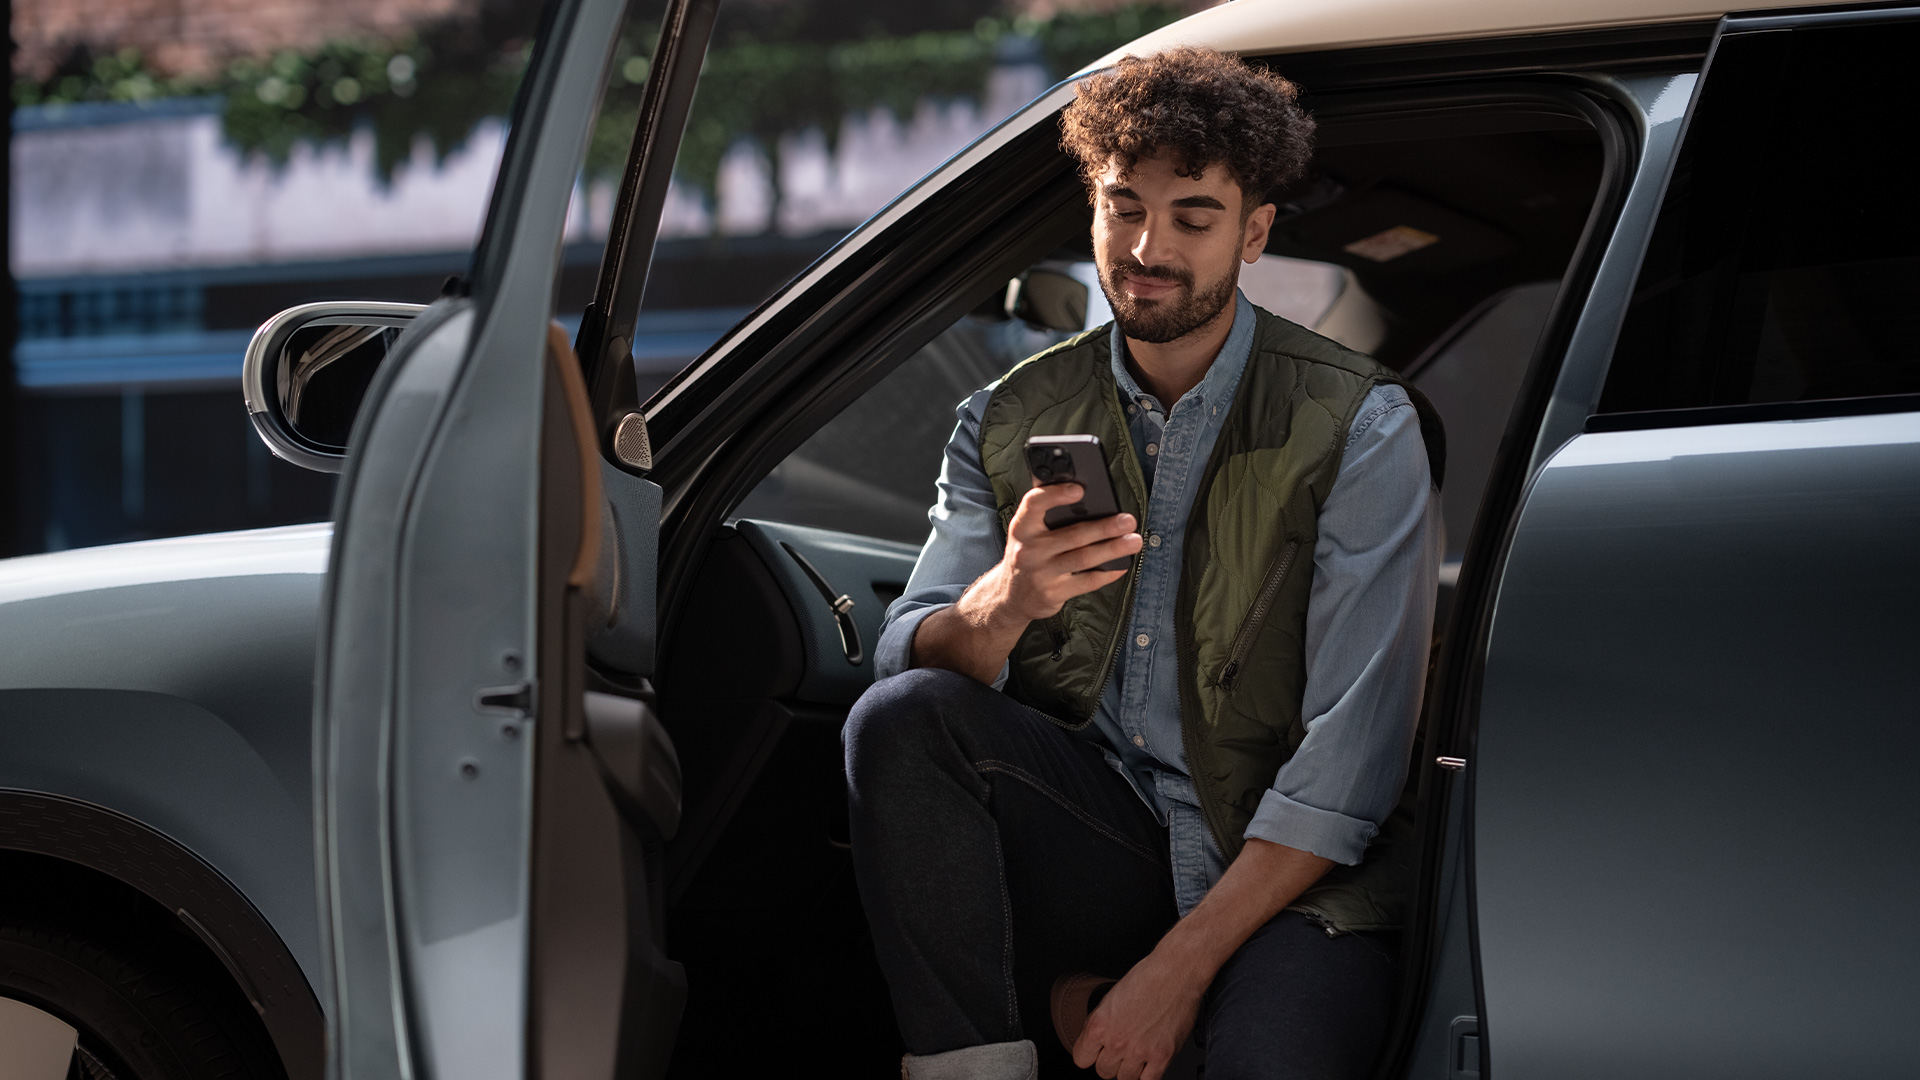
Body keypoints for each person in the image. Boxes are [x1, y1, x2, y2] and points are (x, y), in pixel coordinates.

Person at [844, 46, 1445, 1080]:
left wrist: (1171, 977)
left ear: (1254, 232)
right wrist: (1004, 605)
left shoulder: (1361, 424)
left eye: (1193, 218)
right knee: (900, 720)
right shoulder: (1006, 416)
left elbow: (1353, 767)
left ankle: (1105, 995)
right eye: (1123, 208)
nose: (1147, 246)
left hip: (1292, 876)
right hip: (1108, 835)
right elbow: (905, 655)